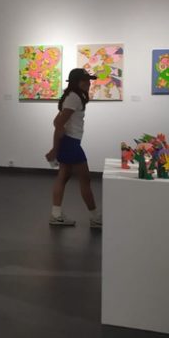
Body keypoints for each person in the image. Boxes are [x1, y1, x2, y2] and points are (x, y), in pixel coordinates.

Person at [45, 68, 102, 228]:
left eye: (89, 80)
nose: (88, 83)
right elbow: (58, 123)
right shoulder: (74, 98)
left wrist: (56, 147)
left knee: (63, 177)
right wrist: (55, 149)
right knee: (85, 178)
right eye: (85, 80)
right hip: (70, 143)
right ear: (76, 82)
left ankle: (56, 215)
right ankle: (95, 217)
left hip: (70, 142)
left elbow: (57, 121)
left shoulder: (73, 97)